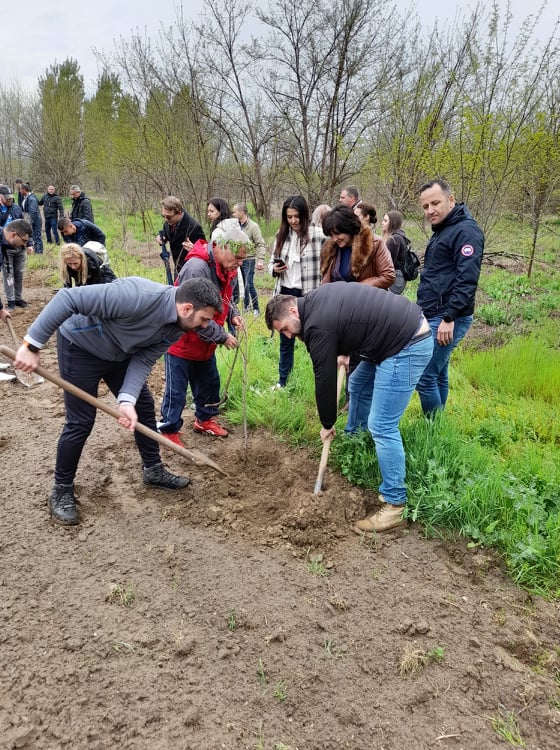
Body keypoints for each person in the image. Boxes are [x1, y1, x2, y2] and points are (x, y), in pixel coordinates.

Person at [14, 276, 223, 526]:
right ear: (187, 308)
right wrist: (32, 345)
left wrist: (126, 399)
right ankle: (61, 489)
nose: (204, 326)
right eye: (204, 319)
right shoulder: (137, 295)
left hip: (120, 355)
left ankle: (153, 470)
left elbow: (144, 360)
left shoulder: (178, 327)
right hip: (81, 347)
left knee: (142, 405)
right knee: (80, 422)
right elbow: (67, 298)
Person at [265, 282, 433, 532]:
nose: (288, 336)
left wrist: (327, 423)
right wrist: (344, 349)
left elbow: (324, 379)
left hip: (406, 344)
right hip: (396, 332)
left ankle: (395, 504)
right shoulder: (316, 300)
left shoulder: (316, 326)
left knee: (383, 425)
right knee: (358, 383)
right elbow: (351, 318)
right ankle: (357, 439)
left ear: (292, 312)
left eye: (286, 330)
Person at [159, 228, 247, 443]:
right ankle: (169, 430)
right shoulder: (196, 268)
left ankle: (204, 420)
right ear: (222, 248)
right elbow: (193, 316)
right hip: (182, 340)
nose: (240, 263)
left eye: (244, 259)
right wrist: (223, 336)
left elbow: (226, 300)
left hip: (205, 344)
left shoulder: (227, 269)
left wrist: (232, 315)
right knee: (176, 391)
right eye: (238, 258)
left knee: (209, 384)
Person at [321, 205, 395, 431]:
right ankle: (351, 407)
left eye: (338, 233)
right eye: (331, 234)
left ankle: (361, 417)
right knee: (346, 361)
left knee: (361, 368)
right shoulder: (332, 249)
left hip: (370, 315)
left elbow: (388, 276)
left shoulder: (374, 244)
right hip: (344, 315)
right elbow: (327, 282)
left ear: (350, 228)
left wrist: (356, 290)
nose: (335, 238)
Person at [415, 179, 484, 416]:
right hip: (434, 311)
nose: (430, 210)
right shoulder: (444, 229)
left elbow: (467, 279)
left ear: (451, 200)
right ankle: (439, 424)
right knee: (439, 372)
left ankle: (432, 433)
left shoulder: (466, 231)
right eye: (425, 206)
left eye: (435, 203)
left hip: (447, 315)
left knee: (424, 376)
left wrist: (449, 316)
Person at [267, 195, 324, 389]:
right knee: (286, 340)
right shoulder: (281, 235)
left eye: (297, 216)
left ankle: (321, 381)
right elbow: (270, 263)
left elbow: (330, 257)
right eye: (289, 217)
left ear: (305, 215)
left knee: (314, 340)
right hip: (285, 293)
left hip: (307, 294)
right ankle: (283, 381)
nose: (293, 221)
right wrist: (274, 269)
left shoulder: (318, 234)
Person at [231, 203, 267, 315]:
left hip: (249, 259)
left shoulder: (253, 227)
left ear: (242, 212)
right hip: (237, 259)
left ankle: (256, 309)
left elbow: (261, 244)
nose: (233, 214)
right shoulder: (235, 226)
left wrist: (260, 259)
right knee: (241, 284)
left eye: (235, 212)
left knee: (249, 284)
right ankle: (246, 307)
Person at [158, 196, 206, 278]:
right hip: (177, 269)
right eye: (164, 216)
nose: (165, 219)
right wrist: (162, 237)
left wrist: (194, 249)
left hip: (191, 272)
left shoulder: (194, 227)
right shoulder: (169, 221)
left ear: (179, 213)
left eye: (168, 217)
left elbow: (204, 252)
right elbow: (167, 233)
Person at [1, 219, 33, 309]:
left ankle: (18, 299)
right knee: (8, 275)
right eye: (24, 241)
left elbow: (25, 229)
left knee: (19, 273)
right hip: (7, 249)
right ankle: (11, 301)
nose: (24, 243)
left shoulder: (16, 209)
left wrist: (29, 244)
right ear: (13, 234)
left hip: (18, 249)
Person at [380, 210, 409, 295]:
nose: (382, 223)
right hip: (395, 277)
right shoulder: (398, 236)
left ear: (392, 223)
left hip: (394, 279)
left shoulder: (394, 239)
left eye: (385, 221)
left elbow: (388, 264)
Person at [20, 183, 43, 254]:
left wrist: (29, 222)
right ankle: (35, 251)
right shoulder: (27, 197)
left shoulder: (31, 199)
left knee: (37, 237)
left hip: (35, 220)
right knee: (33, 236)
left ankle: (39, 253)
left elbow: (32, 212)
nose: (20, 191)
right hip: (31, 219)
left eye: (21, 189)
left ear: (24, 190)